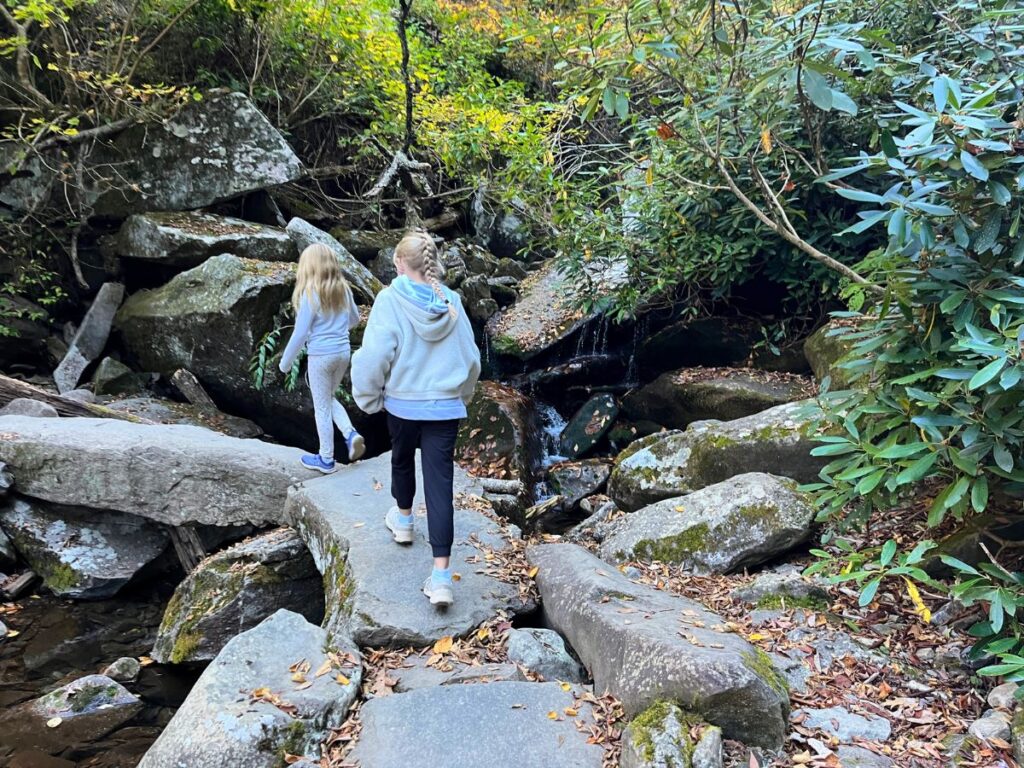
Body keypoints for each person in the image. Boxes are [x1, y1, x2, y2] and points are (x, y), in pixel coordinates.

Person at [352, 229, 481, 608]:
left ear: (398, 263)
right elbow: (472, 360)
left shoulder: (389, 300)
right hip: (444, 407)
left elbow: (375, 356)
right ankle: (441, 577)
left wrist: (368, 397)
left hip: (403, 405)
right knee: (440, 485)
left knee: (401, 457)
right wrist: (464, 395)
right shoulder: (452, 301)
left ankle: (404, 520)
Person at [279, 243, 366, 473]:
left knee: (321, 407)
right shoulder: (344, 290)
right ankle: (350, 433)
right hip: (342, 353)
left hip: (321, 356)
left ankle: (326, 458)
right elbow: (356, 319)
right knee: (327, 398)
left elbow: (299, 333)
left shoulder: (310, 294)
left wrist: (285, 363)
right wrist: (336, 329)